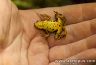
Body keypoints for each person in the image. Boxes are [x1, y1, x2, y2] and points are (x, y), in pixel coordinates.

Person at [0, 0, 96, 65]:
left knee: (62, 29)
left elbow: (47, 31)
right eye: (38, 24)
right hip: (56, 24)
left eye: (38, 24)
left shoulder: (45, 25)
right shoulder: (45, 23)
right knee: (59, 24)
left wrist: (49, 32)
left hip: (57, 26)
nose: (37, 24)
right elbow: (48, 21)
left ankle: (60, 31)